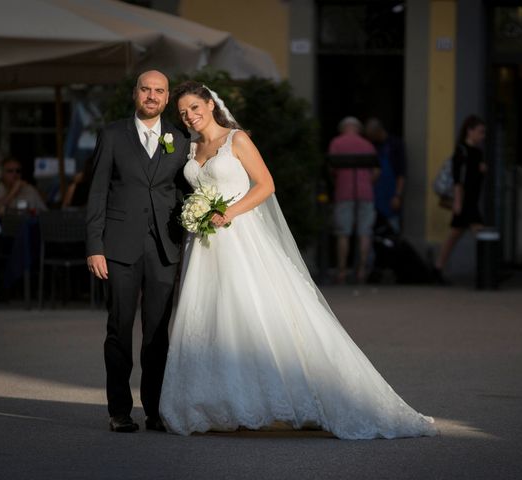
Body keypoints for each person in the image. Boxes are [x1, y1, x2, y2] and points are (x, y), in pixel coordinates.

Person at [158, 82, 436, 440]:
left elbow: (265, 185)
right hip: (204, 247)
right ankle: (220, 403)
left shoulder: (236, 140)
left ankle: (306, 396)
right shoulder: (189, 147)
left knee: (254, 315)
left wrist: (227, 213)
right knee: (211, 320)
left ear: (210, 105)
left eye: (194, 107)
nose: (190, 117)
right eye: (182, 113)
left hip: (241, 238)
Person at [86, 70, 190, 433]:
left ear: (166, 98)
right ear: (135, 93)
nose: (152, 96)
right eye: (146, 89)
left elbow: (183, 193)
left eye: (159, 91)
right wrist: (94, 246)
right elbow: (97, 192)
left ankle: (156, 409)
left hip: (164, 247)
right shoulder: (113, 134)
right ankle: (119, 411)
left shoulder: (179, 138)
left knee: (157, 332)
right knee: (119, 328)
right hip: (118, 246)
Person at [433, 115, 487, 283]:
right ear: (469, 131)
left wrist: (482, 171)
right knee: (479, 233)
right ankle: (487, 270)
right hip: (465, 202)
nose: (482, 136)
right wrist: (457, 202)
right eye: (480, 132)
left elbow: (473, 178)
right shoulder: (461, 151)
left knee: (454, 235)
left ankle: (438, 268)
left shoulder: (478, 153)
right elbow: (459, 179)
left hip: (471, 200)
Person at [328, 117, 379, 284]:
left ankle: (342, 272)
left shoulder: (337, 143)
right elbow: (376, 172)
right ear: (358, 129)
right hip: (366, 193)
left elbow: (331, 169)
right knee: (365, 233)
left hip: (344, 192)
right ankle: (361, 271)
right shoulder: (367, 144)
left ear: (343, 128)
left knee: (343, 233)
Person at [365, 118, 406, 233]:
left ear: (378, 131)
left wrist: (397, 195)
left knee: (393, 229)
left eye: (371, 135)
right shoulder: (372, 146)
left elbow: (401, 173)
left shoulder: (395, 144)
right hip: (373, 195)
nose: (370, 139)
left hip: (390, 194)